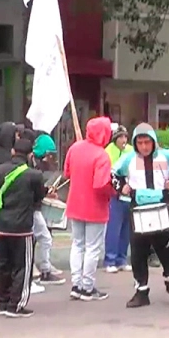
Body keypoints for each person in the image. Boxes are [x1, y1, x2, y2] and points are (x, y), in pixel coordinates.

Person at [113, 123, 169, 308]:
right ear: (135, 143)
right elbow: (113, 174)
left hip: (162, 208)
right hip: (138, 209)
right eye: (140, 143)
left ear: (153, 141)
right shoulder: (128, 158)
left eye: (147, 142)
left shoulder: (166, 155)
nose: (144, 147)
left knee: (168, 250)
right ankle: (141, 292)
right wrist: (121, 187)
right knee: (138, 253)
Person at [0, 138, 48, 318]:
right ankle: (16, 304)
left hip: (1, 224)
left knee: (3, 265)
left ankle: (3, 302)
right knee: (22, 267)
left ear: (12, 152)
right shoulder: (34, 175)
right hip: (22, 227)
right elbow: (39, 197)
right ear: (30, 155)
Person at [64, 116, 115, 302]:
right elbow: (101, 185)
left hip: (75, 203)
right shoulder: (102, 155)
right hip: (95, 206)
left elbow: (66, 173)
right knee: (92, 247)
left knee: (77, 244)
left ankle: (76, 285)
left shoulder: (74, 148)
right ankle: (88, 286)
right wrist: (114, 191)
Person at [29, 133, 65, 285]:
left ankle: (42, 266)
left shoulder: (36, 163)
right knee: (42, 237)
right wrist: (45, 192)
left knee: (40, 237)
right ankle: (42, 269)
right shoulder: (31, 166)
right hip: (30, 207)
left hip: (33, 205)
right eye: (49, 154)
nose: (50, 159)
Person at [104, 125, 134, 273]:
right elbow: (108, 174)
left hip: (129, 196)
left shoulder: (131, 150)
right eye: (120, 137)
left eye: (125, 137)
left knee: (126, 230)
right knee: (113, 229)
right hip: (115, 196)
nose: (123, 140)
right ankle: (110, 260)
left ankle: (122, 259)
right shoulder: (108, 152)